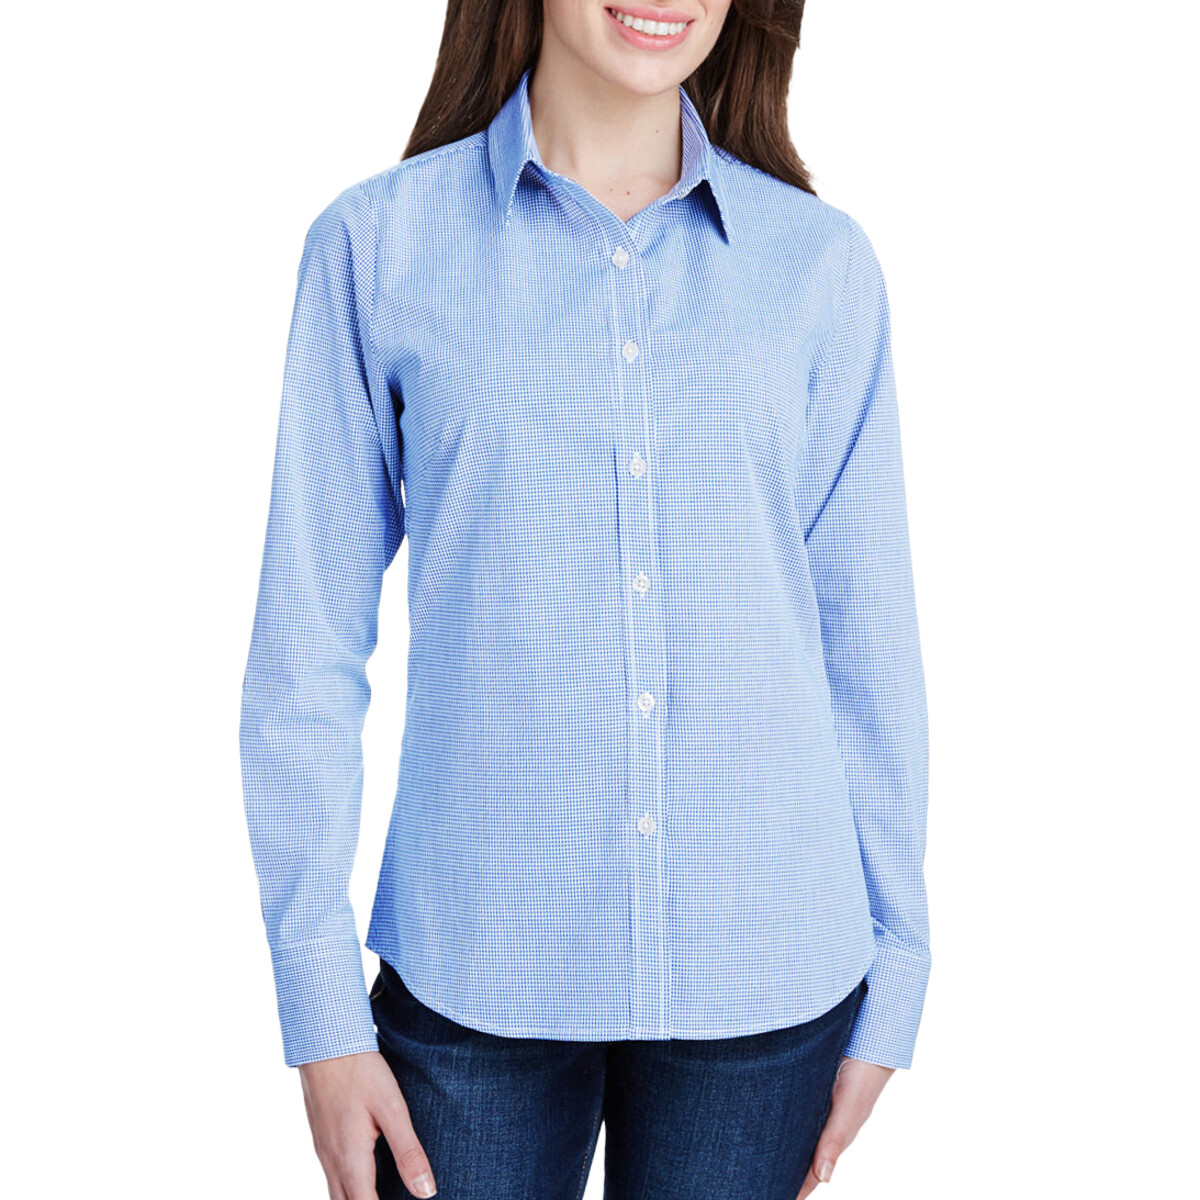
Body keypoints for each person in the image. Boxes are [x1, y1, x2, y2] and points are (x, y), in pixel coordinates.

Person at [239, 2, 932, 1197]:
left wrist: (900, 967)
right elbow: (304, 648)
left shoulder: (820, 267)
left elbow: (868, 647)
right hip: (474, 976)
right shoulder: (378, 247)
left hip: (765, 973)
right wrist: (320, 1013)